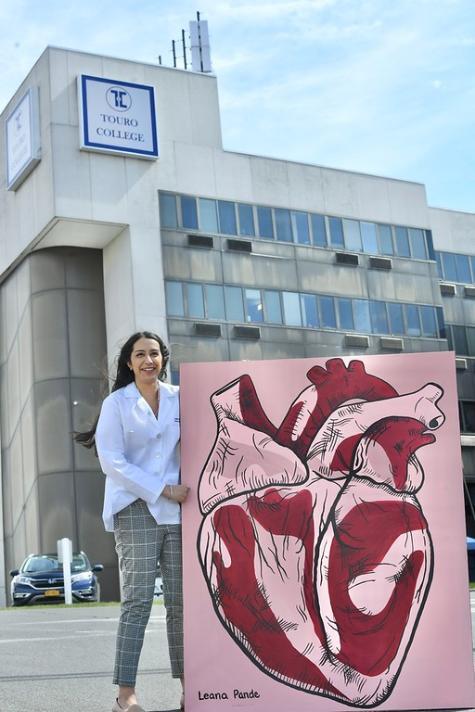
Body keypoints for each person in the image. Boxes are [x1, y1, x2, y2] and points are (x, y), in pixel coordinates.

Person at [75, 331, 189, 712]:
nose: (148, 360)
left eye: (154, 354)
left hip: (177, 512)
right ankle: (126, 694)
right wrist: (162, 489)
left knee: (181, 602)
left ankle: (193, 686)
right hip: (135, 506)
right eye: (140, 354)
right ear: (129, 362)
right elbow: (112, 462)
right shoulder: (116, 404)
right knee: (138, 601)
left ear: (163, 359)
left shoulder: (178, 398)